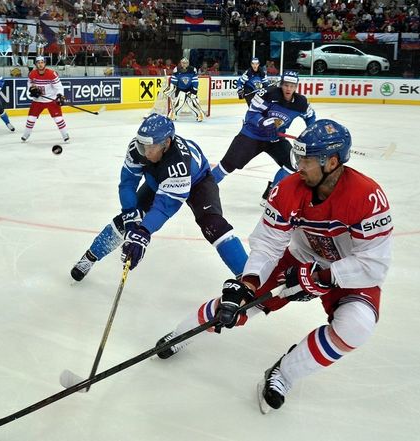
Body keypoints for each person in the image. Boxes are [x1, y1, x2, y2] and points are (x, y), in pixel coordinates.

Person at [155, 119, 393, 415]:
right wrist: (249, 283)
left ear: (331, 162)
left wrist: (324, 277)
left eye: (306, 159)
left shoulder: (367, 197)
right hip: (299, 259)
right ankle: (182, 332)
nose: (299, 165)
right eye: (299, 157)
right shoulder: (288, 189)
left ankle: (283, 374)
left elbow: (374, 264)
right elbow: (268, 244)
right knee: (238, 305)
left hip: (350, 273)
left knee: (357, 327)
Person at [70, 114, 248, 282]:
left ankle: (248, 278)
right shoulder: (137, 150)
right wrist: (131, 219)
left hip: (198, 182)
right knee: (124, 221)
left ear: (166, 143)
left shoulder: (179, 163)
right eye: (142, 145)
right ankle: (90, 257)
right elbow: (128, 183)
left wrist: (143, 232)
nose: (144, 152)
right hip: (159, 180)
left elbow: (164, 206)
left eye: (150, 148)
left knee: (213, 225)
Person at [211, 70, 316, 202]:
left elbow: (310, 117)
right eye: (286, 85)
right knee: (227, 166)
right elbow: (251, 114)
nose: (289, 89)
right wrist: (263, 122)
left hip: (275, 139)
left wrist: (310, 133)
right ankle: (202, 188)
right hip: (251, 136)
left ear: (296, 87)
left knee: (294, 164)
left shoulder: (301, 102)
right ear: (281, 84)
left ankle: (271, 193)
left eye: (292, 86)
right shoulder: (268, 94)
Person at [22, 55, 69, 143]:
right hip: (38, 100)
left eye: (42, 62)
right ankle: (26, 134)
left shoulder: (51, 73)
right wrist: (32, 89)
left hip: (51, 99)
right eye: (38, 63)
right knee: (31, 118)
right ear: (36, 64)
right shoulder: (32, 74)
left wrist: (60, 96)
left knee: (58, 119)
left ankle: (65, 134)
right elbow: (30, 83)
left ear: (45, 63)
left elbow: (59, 87)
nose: (40, 64)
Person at [165, 57, 205, 122]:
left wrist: (194, 91)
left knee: (193, 104)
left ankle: (199, 115)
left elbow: (195, 81)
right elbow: (173, 81)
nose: (184, 64)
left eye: (186, 63)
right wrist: (170, 90)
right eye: (183, 63)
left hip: (190, 90)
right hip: (180, 90)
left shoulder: (192, 70)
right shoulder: (176, 70)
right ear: (181, 63)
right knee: (178, 104)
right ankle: (173, 115)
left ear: (188, 63)